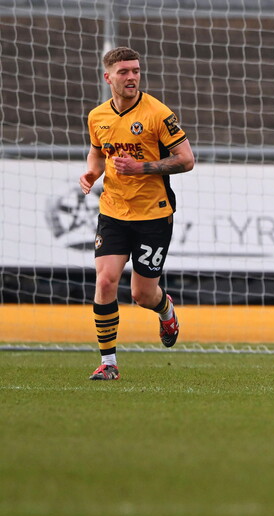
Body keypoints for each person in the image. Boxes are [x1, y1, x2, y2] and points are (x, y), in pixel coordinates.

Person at [79, 46, 195, 380]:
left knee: (143, 295)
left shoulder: (158, 114)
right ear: (108, 77)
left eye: (136, 71)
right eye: (124, 72)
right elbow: (97, 153)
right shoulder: (97, 116)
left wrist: (141, 167)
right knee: (105, 281)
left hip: (153, 215)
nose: (132, 77)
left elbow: (186, 159)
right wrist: (91, 173)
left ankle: (166, 310)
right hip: (113, 211)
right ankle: (109, 362)